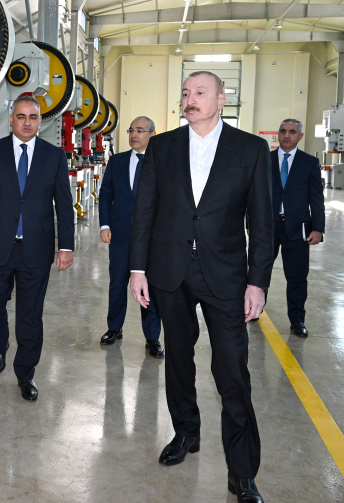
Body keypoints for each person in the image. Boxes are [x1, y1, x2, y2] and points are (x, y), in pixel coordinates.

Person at [128, 72, 273, 503]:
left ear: (221, 100)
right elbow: (144, 211)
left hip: (225, 274)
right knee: (178, 358)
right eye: (186, 93)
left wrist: (257, 281)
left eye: (200, 93)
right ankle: (185, 432)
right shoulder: (162, 146)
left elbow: (261, 223)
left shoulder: (250, 149)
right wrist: (138, 269)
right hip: (170, 271)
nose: (190, 99)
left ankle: (241, 471)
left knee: (232, 370)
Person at [0, 96, 75, 401]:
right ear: (11, 119)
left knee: (30, 314)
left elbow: (64, 205)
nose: (27, 122)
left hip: (35, 248)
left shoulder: (54, 156)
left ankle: (25, 373)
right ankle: (0, 346)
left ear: (41, 121)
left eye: (33, 117)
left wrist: (66, 246)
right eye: (21, 116)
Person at [98, 116, 163, 357]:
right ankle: (114, 327)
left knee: (151, 287)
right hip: (121, 234)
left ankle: (152, 336)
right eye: (131, 130)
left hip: (152, 238)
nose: (134, 134)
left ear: (152, 135)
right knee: (117, 283)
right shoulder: (117, 161)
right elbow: (106, 194)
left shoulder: (162, 162)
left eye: (140, 130)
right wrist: (105, 225)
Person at [271, 119, 324, 338]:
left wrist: (318, 228)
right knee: (258, 271)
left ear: (300, 136)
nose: (287, 135)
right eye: (283, 131)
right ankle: (253, 310)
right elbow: (251, 195)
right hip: (267, 227)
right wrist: (250, 224)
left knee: (297, 277)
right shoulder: (264, 159)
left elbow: (316, 198)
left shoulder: (309, 162)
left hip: (298, 229)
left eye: (292, 132)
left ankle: (297, 320)